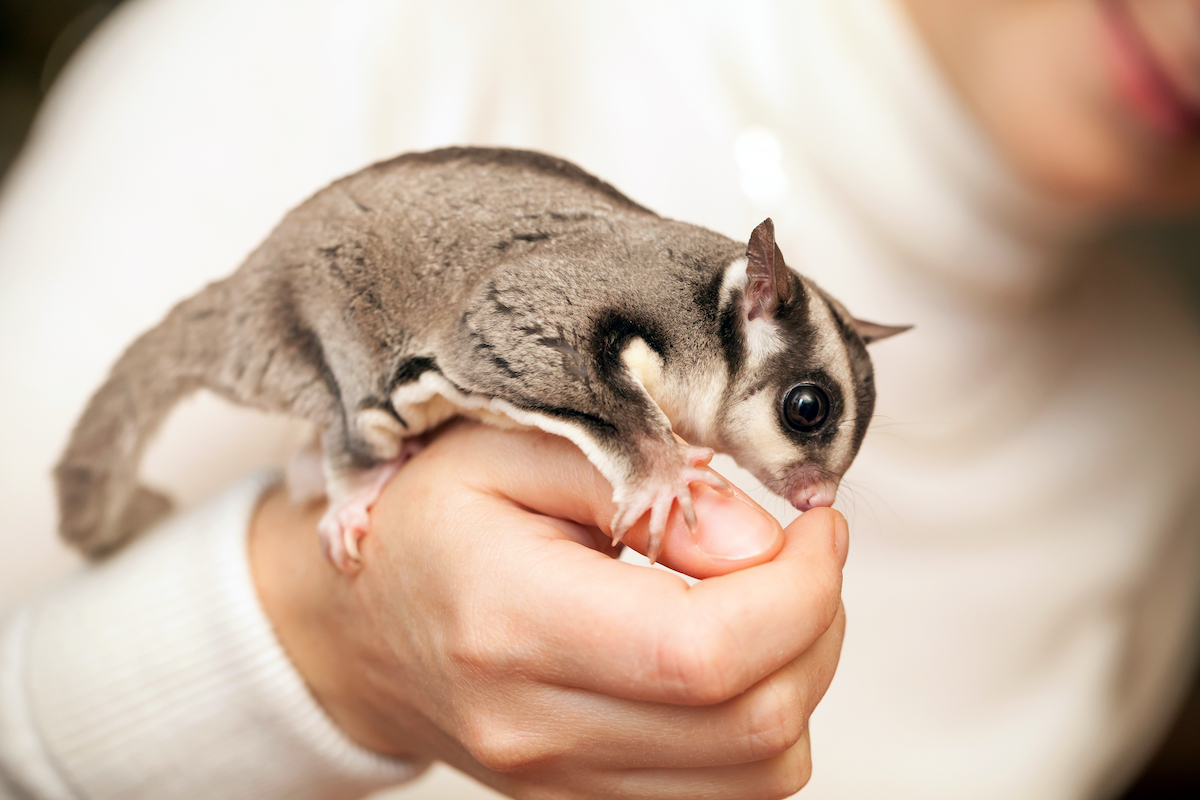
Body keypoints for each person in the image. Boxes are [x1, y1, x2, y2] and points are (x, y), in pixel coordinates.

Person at [1, 0, 1198, 798]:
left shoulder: (1163, 430)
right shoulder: (376, 31)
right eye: (806, 429)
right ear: (753, 306)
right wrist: (317, 638)